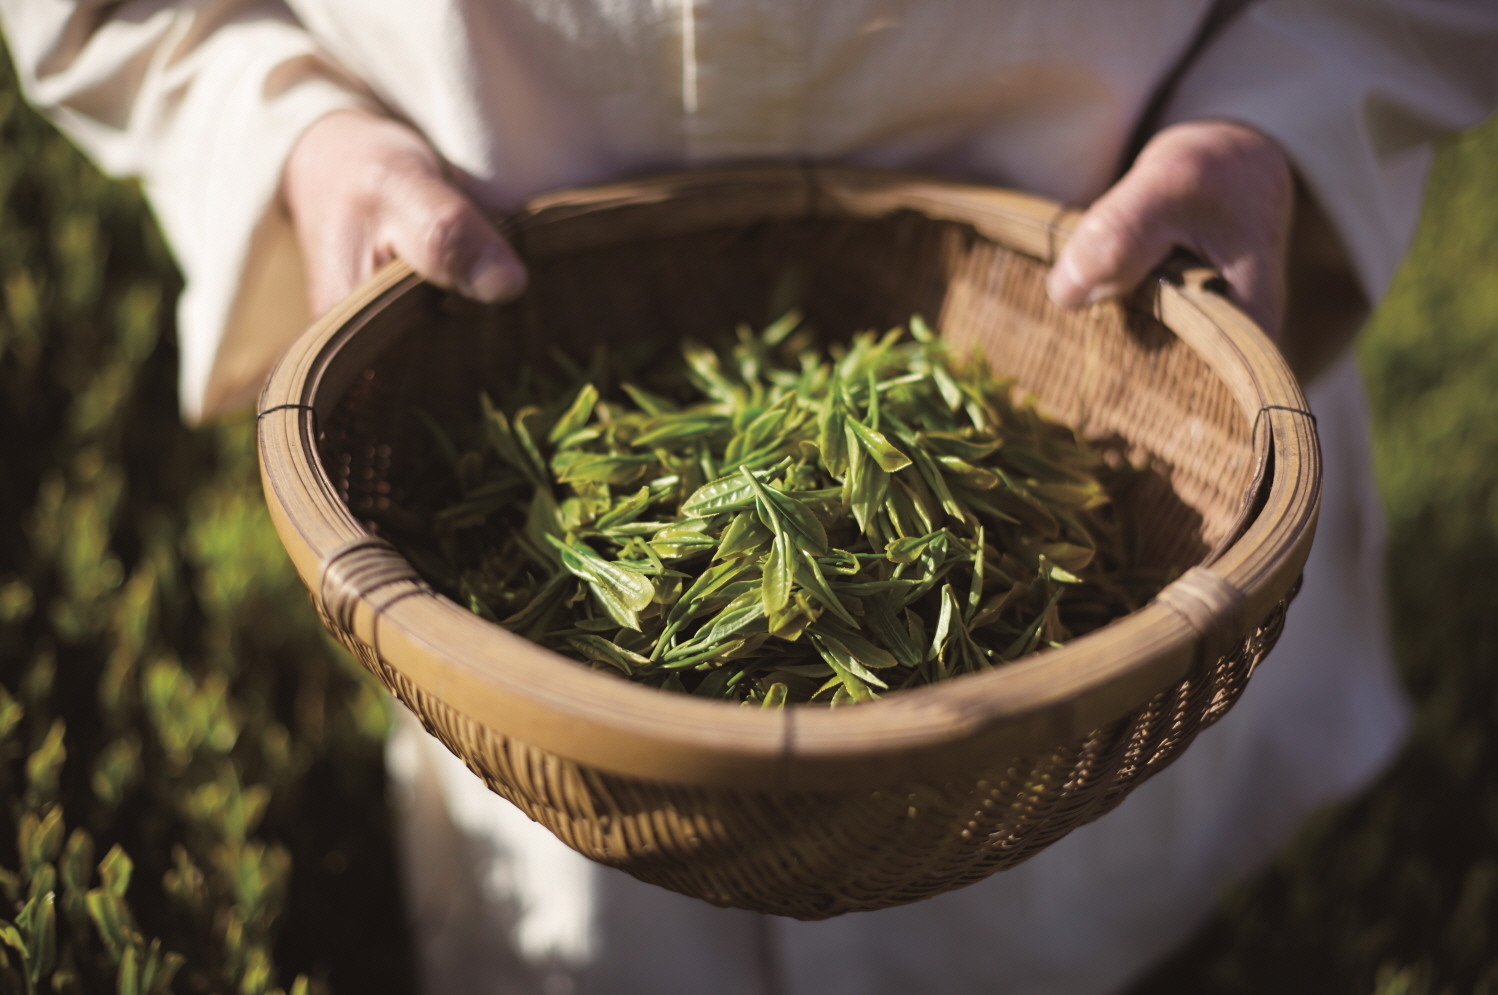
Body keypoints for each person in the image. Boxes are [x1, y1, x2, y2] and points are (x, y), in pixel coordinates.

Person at [3, 2, 1495, 992]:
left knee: (1075, 920)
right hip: (519, 419)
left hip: (1080, 377)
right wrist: (292, 138)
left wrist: (1277, 117)